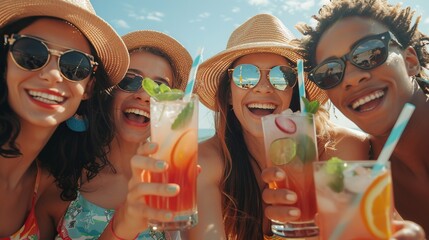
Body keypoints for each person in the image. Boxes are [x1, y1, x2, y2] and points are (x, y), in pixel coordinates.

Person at [186, 13, 371, 239]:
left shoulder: (342, 148)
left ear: (294, 90)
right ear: (229, 95)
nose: (263, 88)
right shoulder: (206, 161)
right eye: (246, 75)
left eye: (281, 76)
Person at [37, 30, 193, 240]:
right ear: (107, 92)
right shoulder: (60, 180)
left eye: (159, 88)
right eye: (130, 81)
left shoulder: (174, 184)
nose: (144, 96)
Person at [296, 0, 429, 236]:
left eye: (369, 53)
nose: (351, 78)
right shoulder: (362, 168)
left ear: (410, 61)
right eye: (330, 72)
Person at [0, 0, 129, 238]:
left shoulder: (47, 184)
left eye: (74, 65)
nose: (51, 75)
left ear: (88, 87)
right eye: (30, 53)